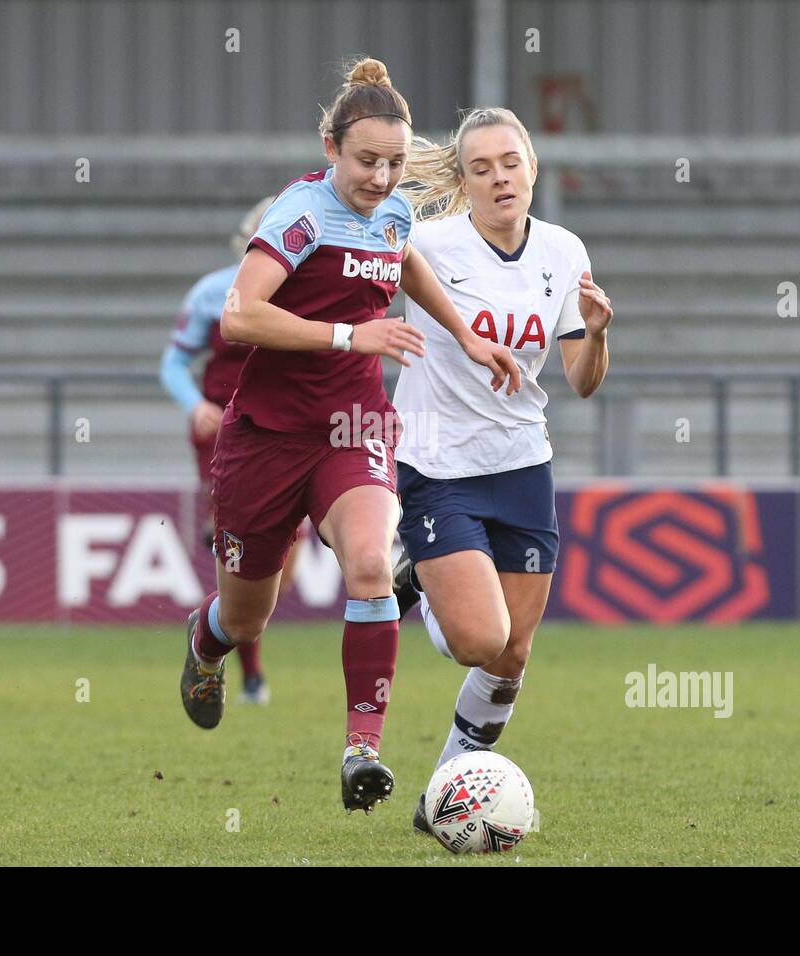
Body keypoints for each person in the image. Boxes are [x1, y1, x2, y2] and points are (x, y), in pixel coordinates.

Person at [176, 58, 521, 814]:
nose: (382, 176)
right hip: (265, 437)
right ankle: (205, 646)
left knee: (369, 561)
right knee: (245, 617)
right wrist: (347, 337)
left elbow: (406, 259)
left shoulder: (392, 209)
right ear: (329, 147)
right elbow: (240, 315)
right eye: (367, 160)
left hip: (352, 426)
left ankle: (362, 750)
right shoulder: (300, 215)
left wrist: (465, 334)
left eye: (395, 163)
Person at [391, 108, 614, 831]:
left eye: (510, 162)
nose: (499, 178)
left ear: (532, 169)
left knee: (512, 654)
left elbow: (581, 378)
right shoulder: (428, 244)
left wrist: (600, 335)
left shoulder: (563, 250)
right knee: (476, 641)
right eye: (481, 167)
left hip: (522, 465)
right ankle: (418, 575)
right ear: (463, 181)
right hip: (439, 462)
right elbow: (368, 262)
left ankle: (439, 801)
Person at [160, 195, 304, 705]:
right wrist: (195, 404)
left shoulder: (308, 294)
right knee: (237, 544)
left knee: (281, 566)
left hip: (291, 431)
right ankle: (251, 676)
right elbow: (172, 364)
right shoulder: (212, 293)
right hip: (225, 431)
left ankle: (222, 633)